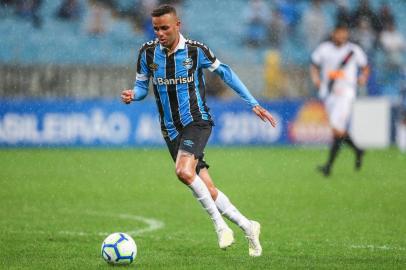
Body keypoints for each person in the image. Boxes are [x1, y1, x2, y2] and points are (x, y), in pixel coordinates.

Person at [121, 4, 276, 256]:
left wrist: (253, 103)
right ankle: (249, 227)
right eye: (156, 29)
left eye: (165, 28)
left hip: (197, 121)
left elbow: (225, 73)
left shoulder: (195, 51)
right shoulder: (147, 54)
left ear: (177, 26)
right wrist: (133, 95)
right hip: (171, 130)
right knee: (208, 189)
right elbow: (141, 87)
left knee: (183, 171)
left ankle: (220, 228)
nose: (159, 33)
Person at [310, 23, 370, 177]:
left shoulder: (353, 50)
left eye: (344, 33)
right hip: (329, 94)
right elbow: (314, 65)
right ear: (333, 33)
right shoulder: (324, 49)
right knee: (337, 132)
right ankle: (355, 152)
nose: (341, 36)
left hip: (345, 93)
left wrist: (363, 77)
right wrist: (316, 79)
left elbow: (365, 66)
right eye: (339, 33)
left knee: (337, 128)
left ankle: (332, 165)